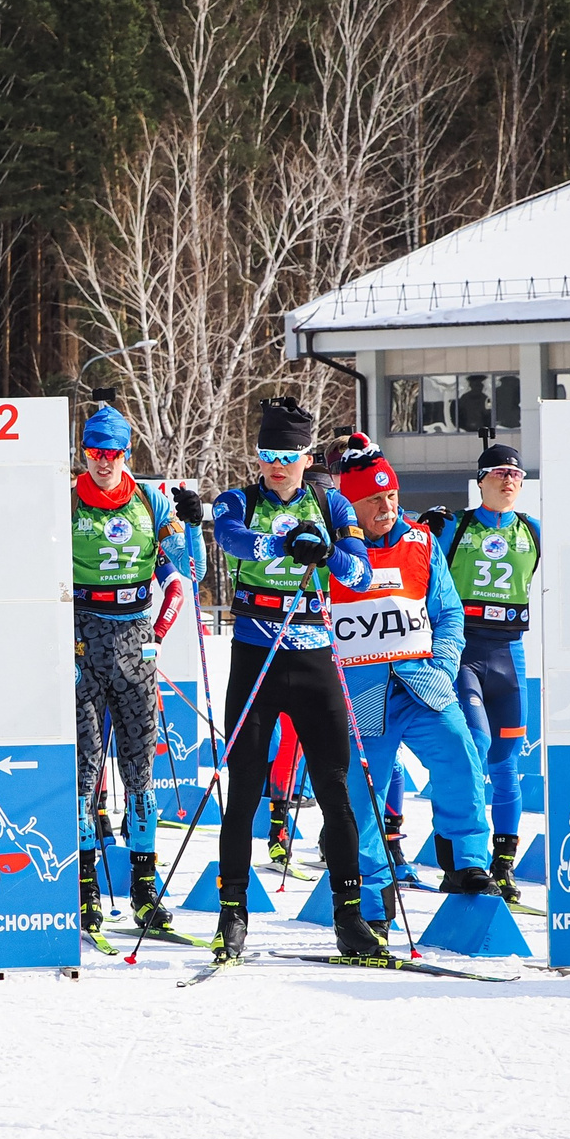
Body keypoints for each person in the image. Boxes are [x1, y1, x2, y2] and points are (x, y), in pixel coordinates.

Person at [207, 397, 375, 963]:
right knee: (246, 789)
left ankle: (349, 917)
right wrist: (282, 544)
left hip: (314, 654)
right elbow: (231, 538)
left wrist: (328, 551)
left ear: (306, 457)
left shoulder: (331, 502)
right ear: (257, 457)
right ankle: (232, 913)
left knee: (334, 787)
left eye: (288, 455)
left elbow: (360, 569)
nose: (277, 465)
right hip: (257, 652)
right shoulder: (239, 499)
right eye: (267, 454)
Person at [330, 433, 492, 895]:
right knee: (361, 792)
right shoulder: (333, 550)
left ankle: (465, 862)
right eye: (373, 500)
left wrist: (442, 664)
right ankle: (373, 880)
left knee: (461, 755)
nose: (385, 508)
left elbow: (449, 613)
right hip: (362, 693)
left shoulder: (421, 542)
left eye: (391, 496)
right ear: (349, 504)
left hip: (422, 681)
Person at [68, 402, 202, 934]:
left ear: (128, 453)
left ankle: (144, 887)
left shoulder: (150, 500)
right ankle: (83, 888)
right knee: (83, 769)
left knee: (140, 768)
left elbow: (186, 573)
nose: (104, 462)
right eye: (95, 452)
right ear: (84, 453)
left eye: (114, 452)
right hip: (81, 635)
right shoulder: (66, 500)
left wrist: (192, 527)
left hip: (134, 638)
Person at [419, 441, 540, 900]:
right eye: (499, 473)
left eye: (515, 474)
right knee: (475, 745)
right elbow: (413, 557)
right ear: (480, 481)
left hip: (510, 654)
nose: (508, 481)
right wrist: (422, 528)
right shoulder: (457, 525)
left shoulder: (532, 530)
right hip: (464, 651)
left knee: (508, 764)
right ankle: (459, 855)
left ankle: (502, 864)